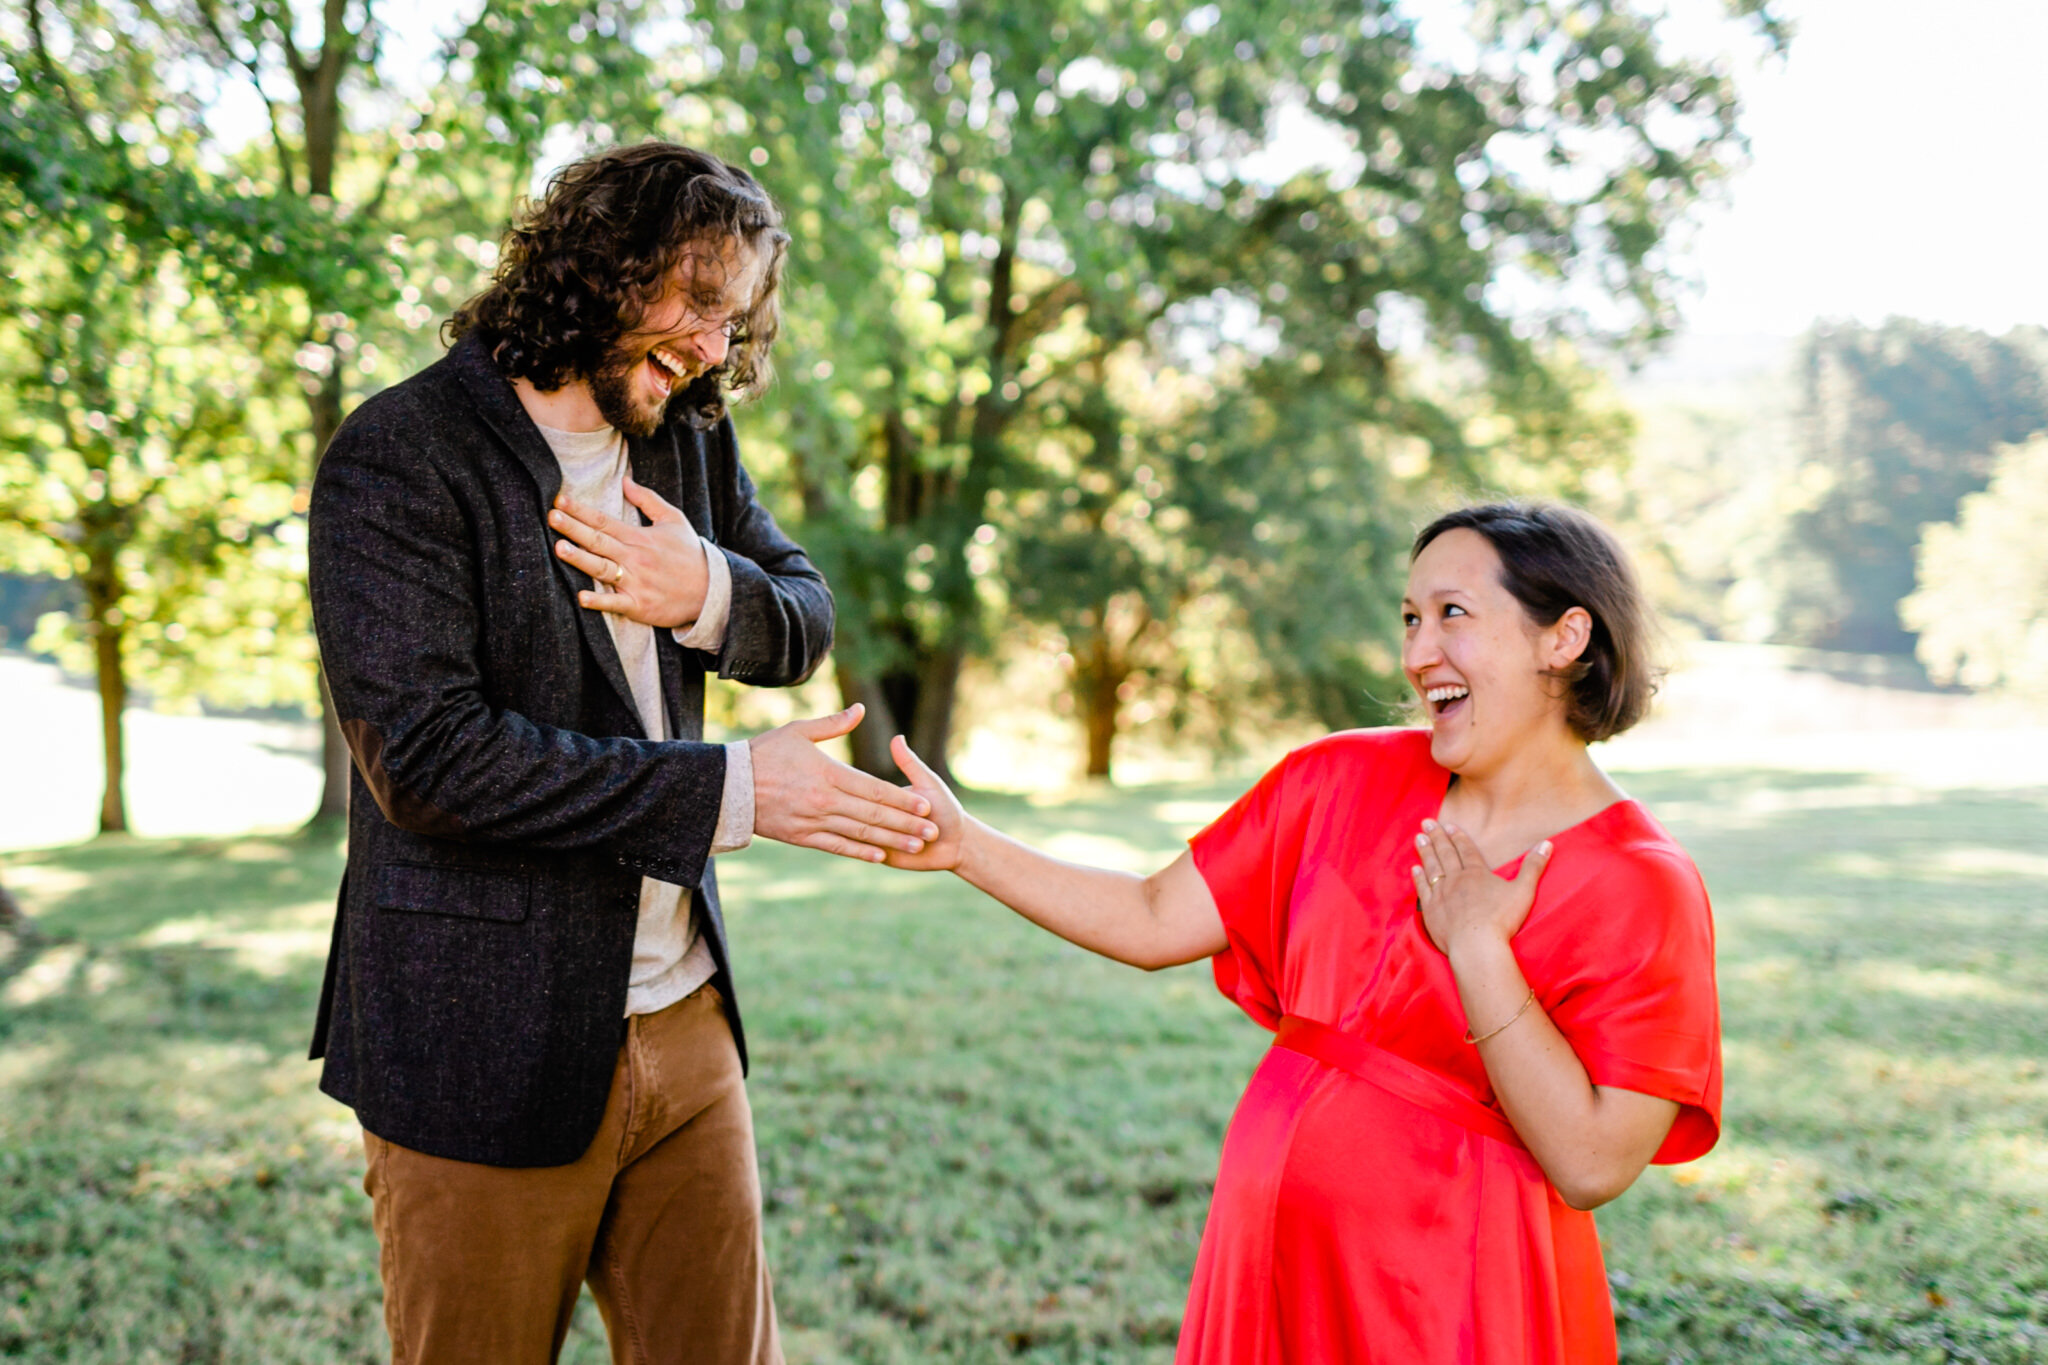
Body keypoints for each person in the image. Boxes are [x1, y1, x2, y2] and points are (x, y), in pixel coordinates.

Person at [307, 142, 936, 1365]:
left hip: (687, 1020)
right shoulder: (397, 455)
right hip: (477, 1038)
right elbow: (430, 763)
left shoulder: (686, 440)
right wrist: (737, 790)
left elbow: (801, 616)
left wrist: (702, 588)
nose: (712, 347)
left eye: (735, 321)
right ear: (600, 262)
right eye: (697, 302)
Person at [883, 502, 1722, 1364]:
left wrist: (1478, 947)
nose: (1416, 651)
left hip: (1450, 1295)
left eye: (1452, 613)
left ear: (1564, 637)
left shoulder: (1642, 880)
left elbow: (1591, 1162)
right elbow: (1152, 916)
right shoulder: (1339, 777)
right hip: (1268, 1261)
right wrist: (967, 847)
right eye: (1408, 618)